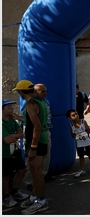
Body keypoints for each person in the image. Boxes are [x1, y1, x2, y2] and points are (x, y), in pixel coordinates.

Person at [12, 80, 49, 214]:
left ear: (21, 92)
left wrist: (33, 148)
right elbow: (32, 121)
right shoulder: (40, 102)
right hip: (41, 139)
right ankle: (34, 197)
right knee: (35, 172)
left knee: (36, 173)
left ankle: (41, 202)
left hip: (36, 142)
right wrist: (16, 117)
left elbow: (37, 126)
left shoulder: (30, 104)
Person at [2, 99, 29, 208]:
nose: (12, 109)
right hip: (4, 154)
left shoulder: (12, 120)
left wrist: (13, 135)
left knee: (21, 170)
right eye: (8, 107)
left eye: (11, 107)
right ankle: (6, 197)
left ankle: (15, 192)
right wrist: (14, 136)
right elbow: (7, 140)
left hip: (15, 151)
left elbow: (21, 133)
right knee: (5, 176)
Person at [66, 109, 90, 177]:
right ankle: (82, 169)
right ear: (69, 118)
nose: (76, 116)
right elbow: (72, 134)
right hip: (79, 144)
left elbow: (88, 131)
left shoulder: (83, 122)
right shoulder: (71, 125)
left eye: (76, 114)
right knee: (81, 156)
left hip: (87, 142)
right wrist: (77, 137)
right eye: (73, 115)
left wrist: (84, 134)